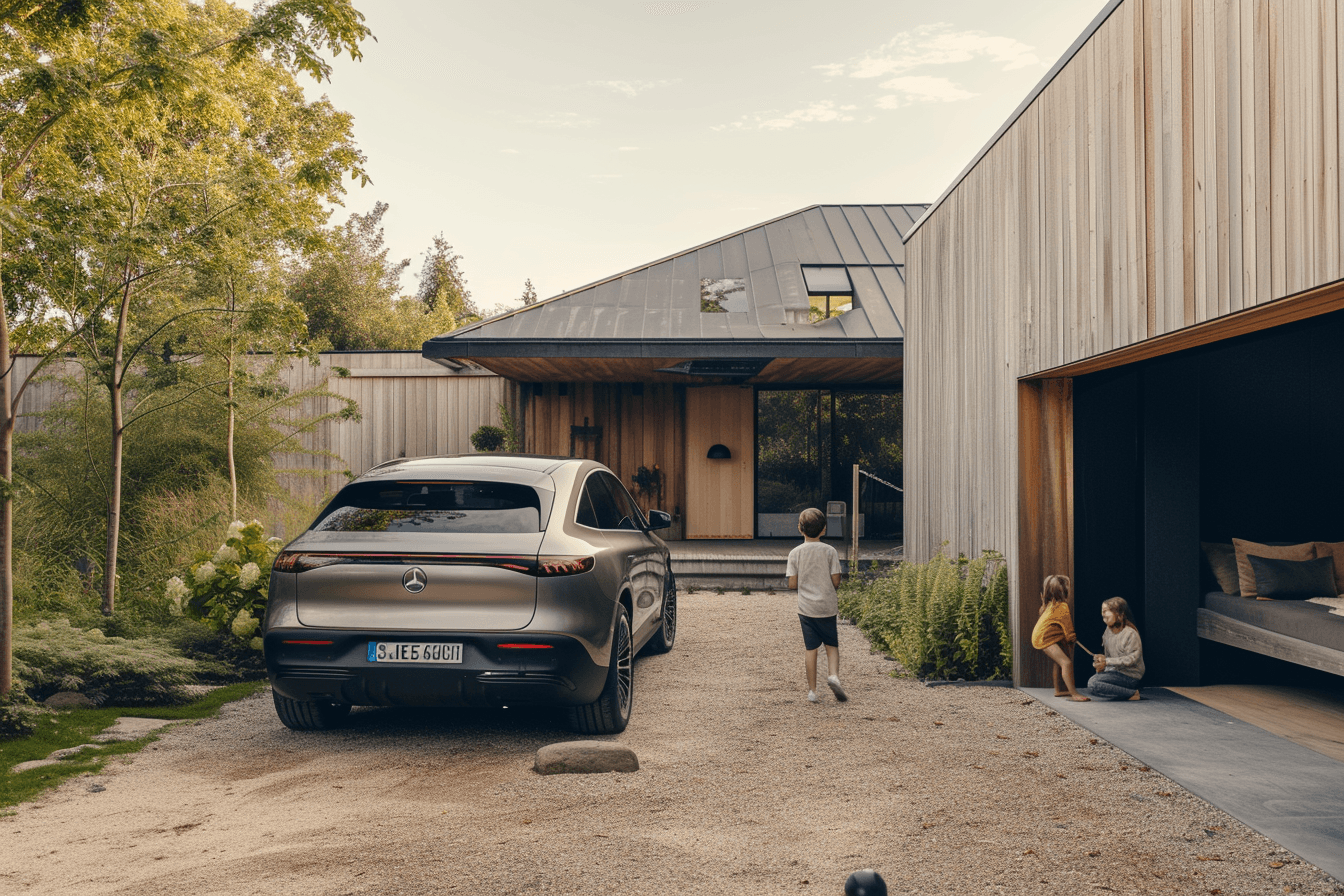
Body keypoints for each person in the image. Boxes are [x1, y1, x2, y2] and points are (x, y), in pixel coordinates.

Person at [786, 507, 846, 704]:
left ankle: (812, 691)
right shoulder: (830, 551)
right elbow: (836, 581)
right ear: (824, 529)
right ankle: (833, 675)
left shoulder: (795, 553)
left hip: (806, 608)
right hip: (827, 606)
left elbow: (792, 584)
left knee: (811, 648)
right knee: (831, 645)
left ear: (799, 528)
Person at [1031, 574, 1089, 701]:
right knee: (1066, 663)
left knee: (1059, 662)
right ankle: (1074, 694)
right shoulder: (1062, 606)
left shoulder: (1050, 605)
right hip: (1045, 639)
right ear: (1064, 591)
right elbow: (1068, 628)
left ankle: (1059, 690)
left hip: (1044, 637)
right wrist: (1071, 638)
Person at [1087, 596, 1144, 700]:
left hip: (1130, 676)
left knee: (1093, 683)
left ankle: (1132, 693)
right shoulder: (1107, 631)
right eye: (1103, 614)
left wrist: (1107, 661)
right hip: (1116, 673)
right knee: (1094, 681)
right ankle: (1127, 693)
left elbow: (1132, 659)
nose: (1104, 617)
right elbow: (1109, 657)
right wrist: (1101, 664)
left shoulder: (1130, 633)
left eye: (1106, 613)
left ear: (1120, 615)